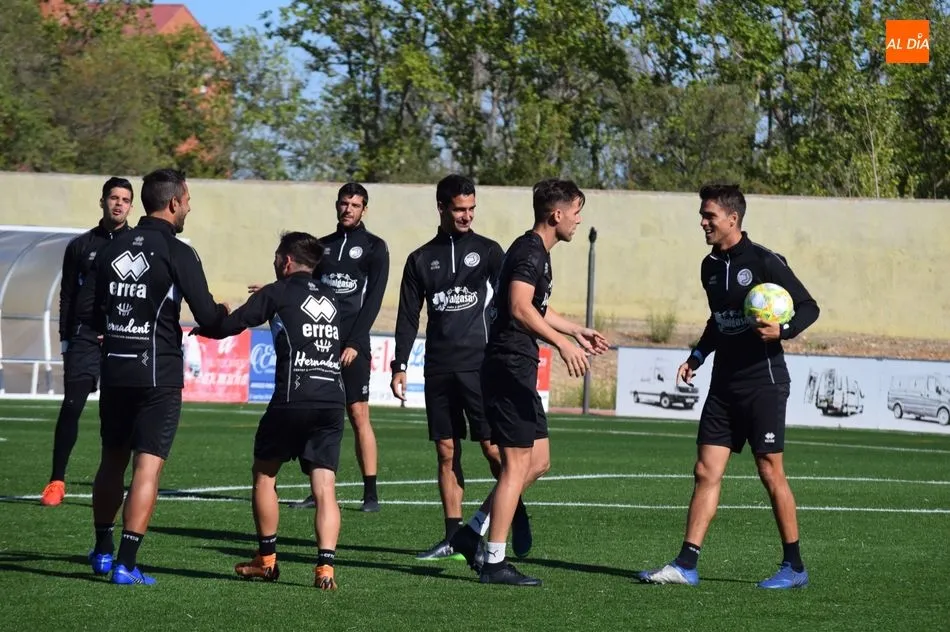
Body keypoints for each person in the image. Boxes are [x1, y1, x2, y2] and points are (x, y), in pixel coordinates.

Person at [637, 183, 819, 590]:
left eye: (709, 216)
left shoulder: (765, 260)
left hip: (764, 383)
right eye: (702, 216)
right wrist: (697, 357)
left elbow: (809, 306)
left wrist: (783, 330)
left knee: (770, 471)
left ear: (732, 219)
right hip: (724, 385)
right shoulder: (708, 266)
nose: (703, 223)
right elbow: (717, 320)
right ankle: (686, 563)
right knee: (705, 470)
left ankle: (794, 566)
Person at [449, 178, 609, 586]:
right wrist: (560, 343)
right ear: (556, 214)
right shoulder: (528, 252)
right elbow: (519, 308)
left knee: (537, 461)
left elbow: (536, 305)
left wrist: (574, 330)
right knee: (516, 465)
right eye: (576, 211)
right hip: (508, 365)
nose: (578, 219)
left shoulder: (537, 252)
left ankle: (473, 533)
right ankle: (495, 562)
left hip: (517, 363)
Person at [78, 168, 229, 585]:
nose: (189, 207)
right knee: (147, 468)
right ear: (175, 203)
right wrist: (227, 317)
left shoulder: (109, 249)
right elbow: (207, 315)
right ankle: (126, 563)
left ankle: (103, 551)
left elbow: (88, 314)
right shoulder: (179, 251)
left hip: (116, 368)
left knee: (111, 460)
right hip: (158, 374)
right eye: (188, 199)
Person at [389, 174, 531, 561]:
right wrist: (399, 365)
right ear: (441, 207)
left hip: (480, 366)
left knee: (491, 449)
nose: (466, 215)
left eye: (471, 209)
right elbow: (407, 316)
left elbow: (514, 303)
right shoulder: (420, 258)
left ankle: (512, 507)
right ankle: (454, 537)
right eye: (459, 209)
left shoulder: (489, 252)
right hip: (438, 366)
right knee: (446, 451)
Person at [193, 231, 344, 591]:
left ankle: (267, 560)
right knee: (325, 486)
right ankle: (325, 568)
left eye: (278, 257)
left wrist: (207, 325)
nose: (275, 263)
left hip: (294, 398)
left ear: (287, 261)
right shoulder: (333, 297)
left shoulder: (276, 292)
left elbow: (232, 325)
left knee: (264, 476)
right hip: (332, 400)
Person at [286, 183, 389, 512]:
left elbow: (372, 301)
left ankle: (370, 492)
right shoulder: (322, 247)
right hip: (320, 341)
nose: (348, 209)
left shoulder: (375, 248)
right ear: (337, 205)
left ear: (364, 210)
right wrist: (277, 289)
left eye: (355, 205)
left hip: (352, 344)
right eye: (344, 203)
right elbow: (306, 287)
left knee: (358, 414)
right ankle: (316, 488)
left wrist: (356, 342)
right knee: (316, 413)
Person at [40, 177, 133, 507]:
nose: (118, 204)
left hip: (123, 338)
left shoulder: (137, 245)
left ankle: (127, 482)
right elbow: (67, 294)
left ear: (131, 206)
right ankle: (56, 480)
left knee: (123, 413)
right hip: (83, 338)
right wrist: (65, 339)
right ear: (103, 201)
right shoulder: (80, 246)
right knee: (72, 405)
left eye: (125, 199)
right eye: (113, 197)